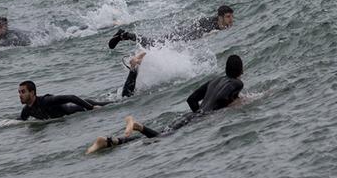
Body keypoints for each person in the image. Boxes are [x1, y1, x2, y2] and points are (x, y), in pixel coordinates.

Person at [87, 54, 244, 153]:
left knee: (159, 135)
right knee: (162, 137)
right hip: (199, 117)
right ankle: (137, 126)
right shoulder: (237, 83)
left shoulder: (215, 80)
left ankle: (111, 141)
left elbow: (191, 99)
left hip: (192, 115)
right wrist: (216, 112)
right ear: (241, 71)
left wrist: (200, 112)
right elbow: (223, 97)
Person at [109, 5, 235, 50]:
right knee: (152, 44)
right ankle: (124, 35)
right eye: (228, 17)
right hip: (180, 36)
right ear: (220, 17)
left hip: (183, 36)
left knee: (153, 44)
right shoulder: (210, 24)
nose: (231, 20)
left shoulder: (219, 24)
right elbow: (200, 34)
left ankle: (125, 36)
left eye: (231, 17)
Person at [18, 80, 110, 121]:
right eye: (19, 92)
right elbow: (20, 121)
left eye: (23, 92)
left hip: (83, 107)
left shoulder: (46, 100)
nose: (20, 95)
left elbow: (71, 97)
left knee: (117, 103)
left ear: (32, 92)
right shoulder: (27, 110)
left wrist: (92, 107)